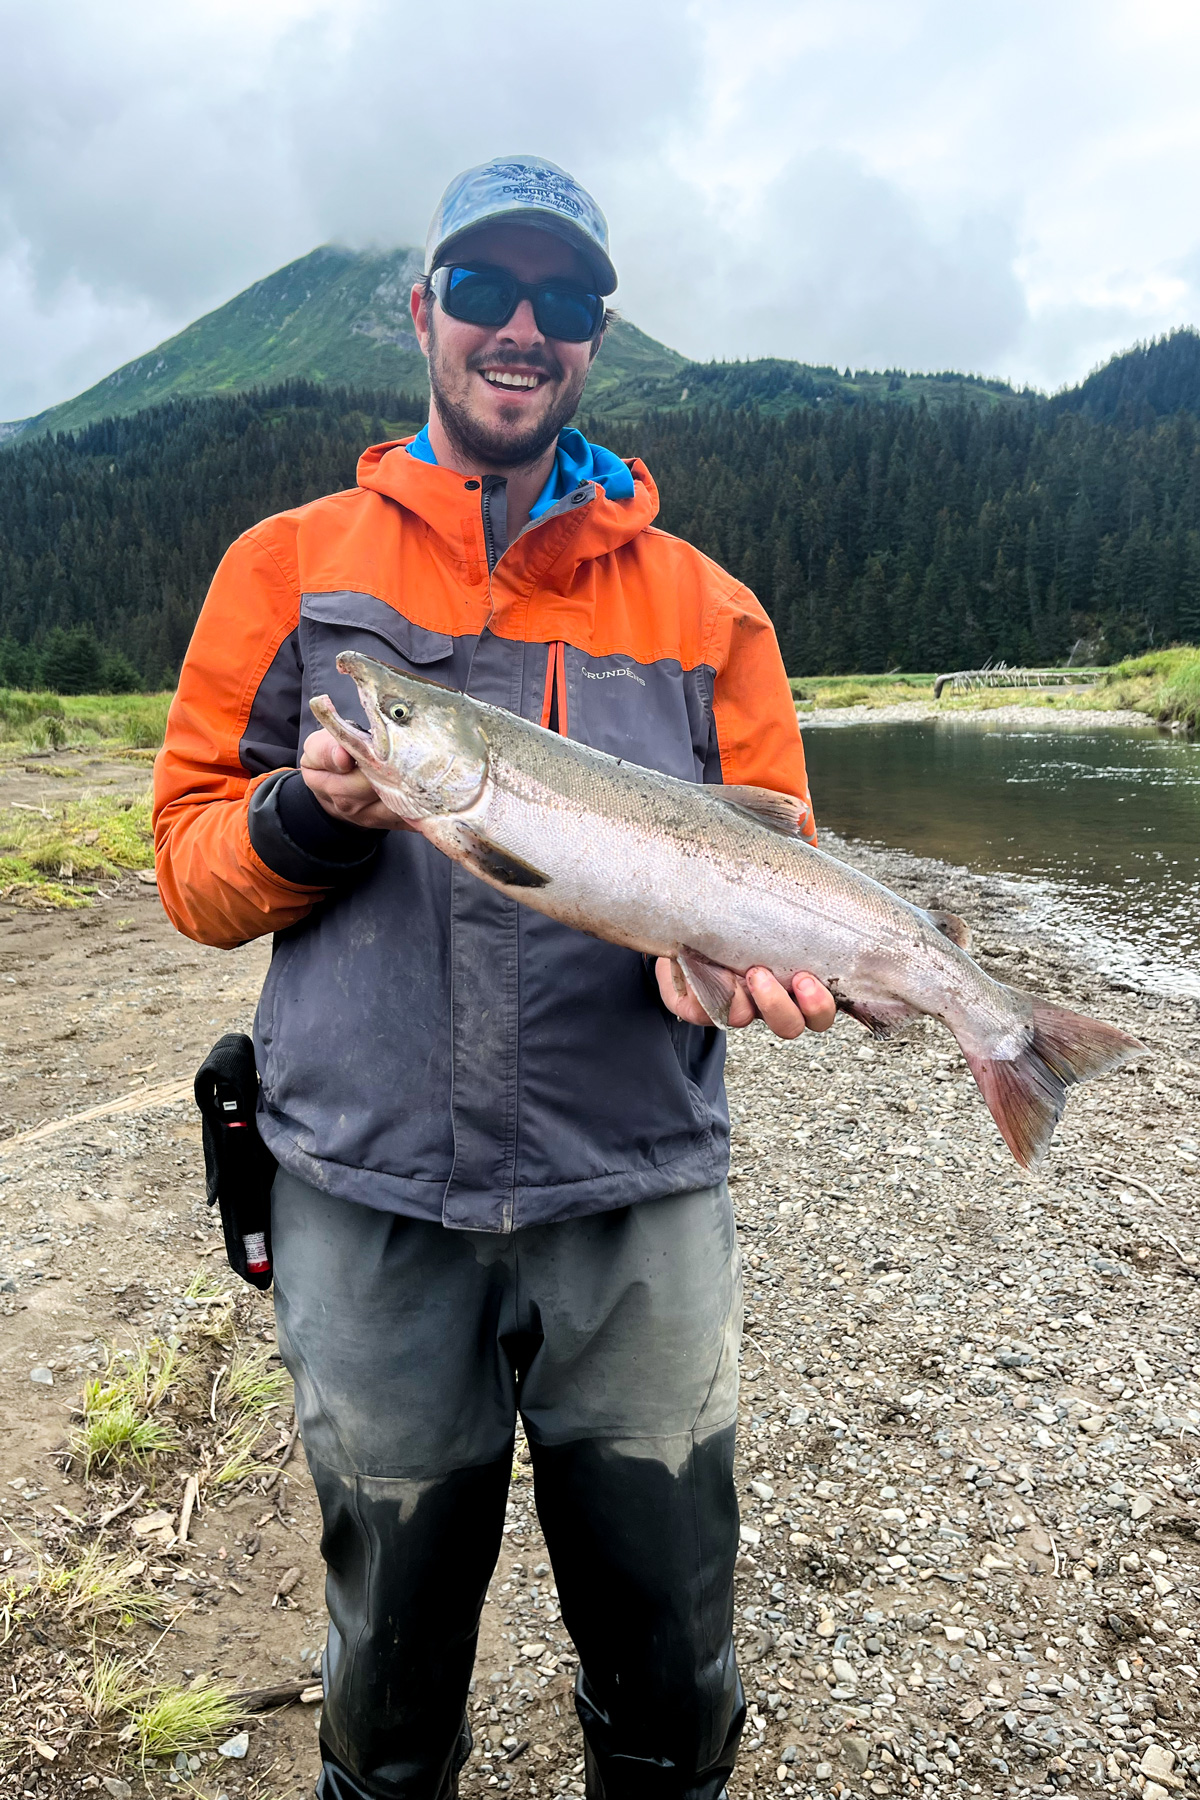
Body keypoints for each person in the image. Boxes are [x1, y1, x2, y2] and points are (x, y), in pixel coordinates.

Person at [154, 155, 836, 1800]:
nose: (521, 327)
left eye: (565, 301)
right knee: (386, 1676)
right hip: (366, 1201)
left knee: (672, 1659)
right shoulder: (284, 572)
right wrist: (312, 817)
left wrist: (744, 983)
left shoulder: (709, 609)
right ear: (425, 314)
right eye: (485, 292)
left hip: (637, 1198)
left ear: (596, 336)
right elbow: (188, 866)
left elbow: (780, 860)